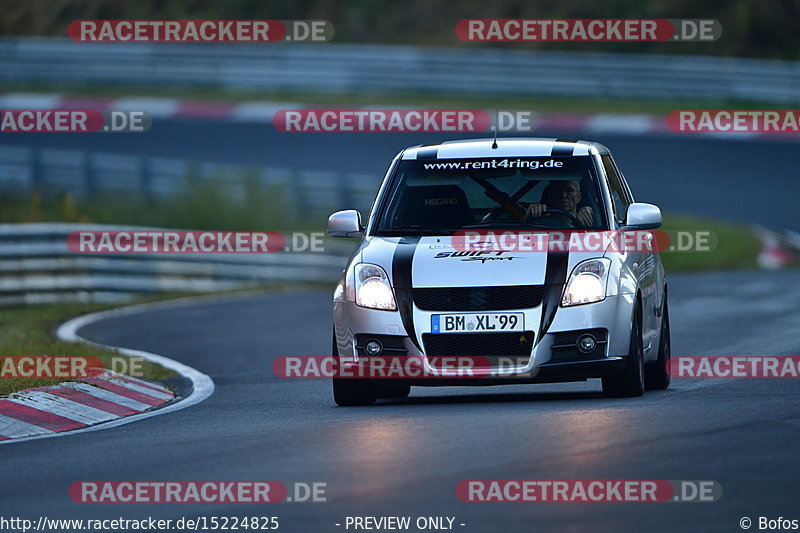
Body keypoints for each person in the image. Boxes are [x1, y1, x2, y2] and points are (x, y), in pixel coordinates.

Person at [524, 180, 594, 227]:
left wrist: (593, 214)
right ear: (551, 195)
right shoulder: (539, 222)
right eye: (558, 191)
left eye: (569, 191)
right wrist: (529, 218)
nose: (564, 195)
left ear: (578, 197)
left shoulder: (587, 218)